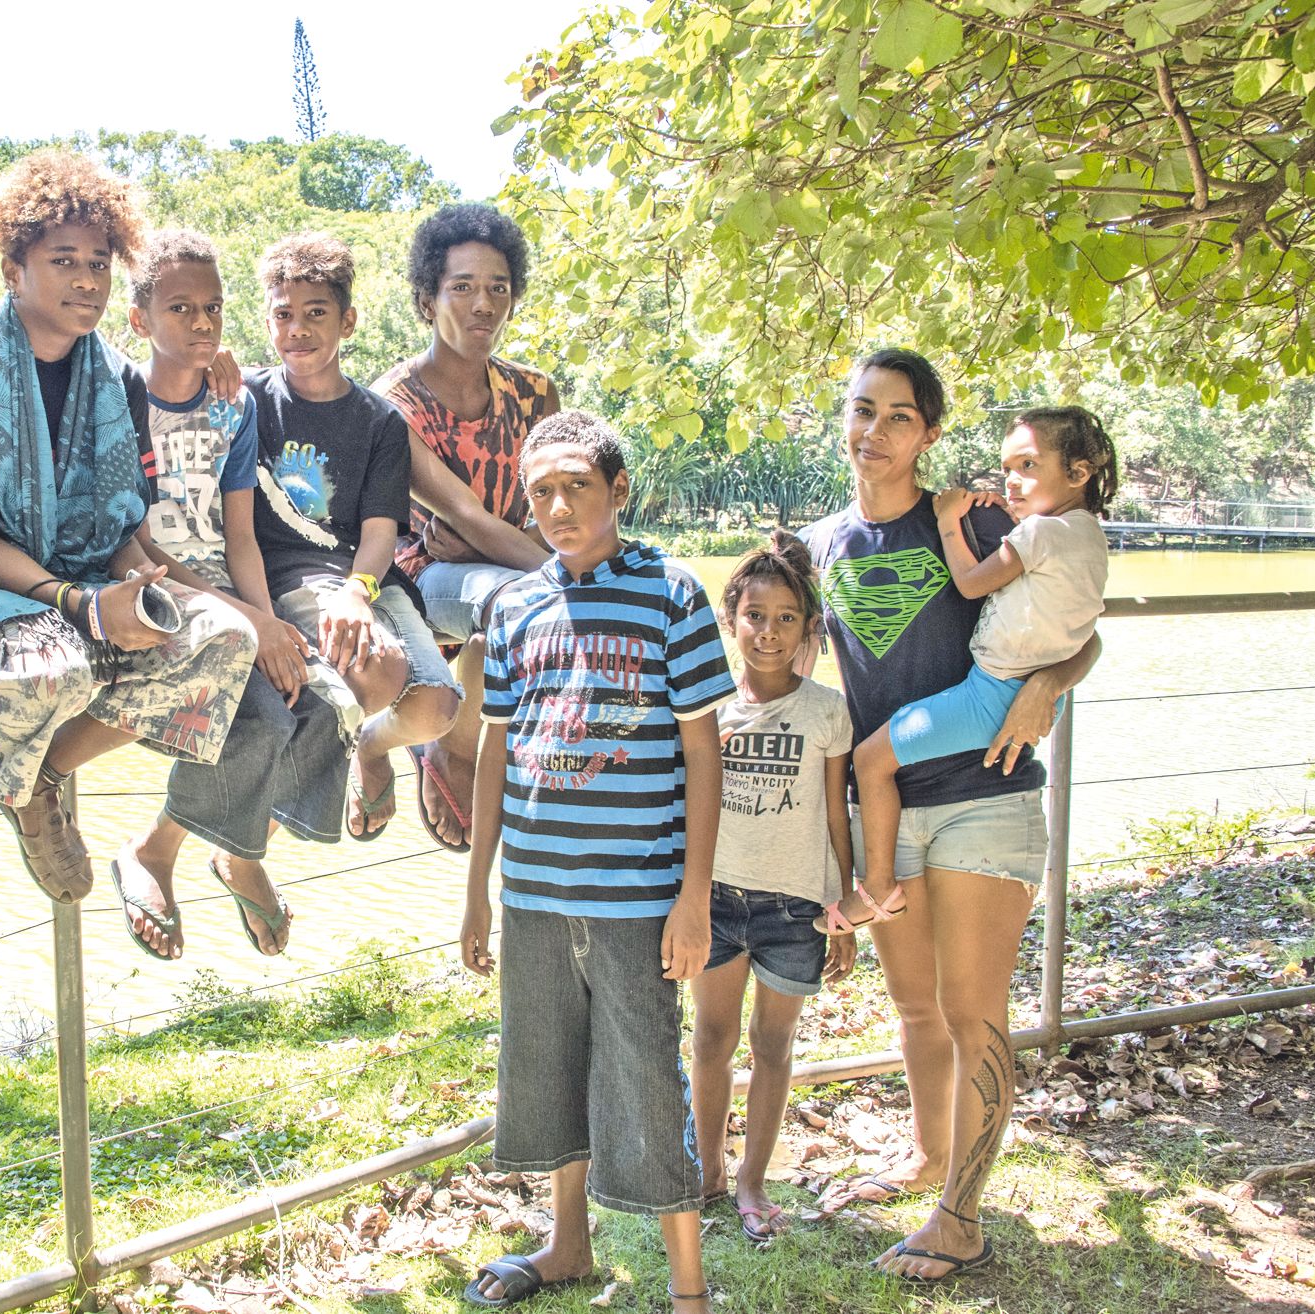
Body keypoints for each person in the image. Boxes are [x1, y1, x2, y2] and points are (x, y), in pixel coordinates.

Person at [0, 151, 255, 915]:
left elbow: (121, 527)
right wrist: (86, 608)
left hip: (79, 577)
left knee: (224, 640)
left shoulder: (114, 378)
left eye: (99, 263)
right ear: (13, 268)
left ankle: (34, 779)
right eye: (63, 262)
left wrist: (136, 588)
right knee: (56, 667)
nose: (88, 281)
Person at [799, 349, 1101, 1281]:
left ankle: (960, 1215)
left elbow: (1079, 625)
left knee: (974, 1015)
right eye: (862, 410)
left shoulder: (970, 518)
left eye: (899, 417)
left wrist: (1051, 680)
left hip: (985, 796)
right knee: (914, 1010)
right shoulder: (818, 545)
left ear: (929, 434)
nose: (875, 432)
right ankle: (930, 1163)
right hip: (882, 806)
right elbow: (775, 664)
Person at [459, 411, 732, 1312]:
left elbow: (703, 753)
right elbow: (497, 749)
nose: (558, 506)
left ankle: (687, 1284)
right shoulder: (513, 605)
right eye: (540, 491)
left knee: (645, 1078)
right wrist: (477, 892)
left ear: (618, 491)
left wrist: (692, 898)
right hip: (536, 890)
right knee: (546, 1067)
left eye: (577, 485)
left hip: (635, 896)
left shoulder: (672, 592)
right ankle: (565, 1243)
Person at [110, 229, 360, 959]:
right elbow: (138, 542)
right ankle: (154, 853)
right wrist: (250, 622)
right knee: (257, 722)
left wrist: (274, 625)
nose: (200, 324)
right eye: (179, 308)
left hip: (230, 593)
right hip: (156, 593)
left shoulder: (234, 406)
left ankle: (240, 850)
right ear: (139, 319)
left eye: (212, 309)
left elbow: (240, 537)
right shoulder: (117, 397)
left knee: (327, 704)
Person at [825, 405, 1114, 933]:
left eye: (1029, 466)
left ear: (1078, 472)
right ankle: (883, 886)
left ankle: (879, 890)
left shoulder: (1034, 534)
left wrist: (946, 521)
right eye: (1009, 467)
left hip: (992, 696)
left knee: (869, 760)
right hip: (1012, 689)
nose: (1012, 481)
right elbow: (1086, 628)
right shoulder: (1089, 536)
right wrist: (1050, 682)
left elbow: (971, 583)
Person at [246, 233, 461, 841]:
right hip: (290, 577)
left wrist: (358, 592)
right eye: (284, 315)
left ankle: (370, 746)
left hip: (367, 580)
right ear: (267, 322)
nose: (299, 330)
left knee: (436, 707)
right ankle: (249, 831)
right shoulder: (248, 401)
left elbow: (378, 535)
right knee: (375, 671)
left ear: (348, 321)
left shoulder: (379, 421)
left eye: (317, 314)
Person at [372, 204, 557, 852]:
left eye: (497, 288)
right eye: (462, 287)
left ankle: (494, 734)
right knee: (516, 598)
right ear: (426, 301)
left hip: (507, 561)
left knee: (529, 595)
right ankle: (452, 741)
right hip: (422, 577)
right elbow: (466, 517)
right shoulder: (393, 404)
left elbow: (555, 516)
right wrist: (580, 578)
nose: (483, 304)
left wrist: (554, 555)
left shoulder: (535, 394)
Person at [689, 530, 856, 1245]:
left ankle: (753, 1178)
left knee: (773, 1042)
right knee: (712, 1037)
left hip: (795, 908)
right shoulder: (704, 711)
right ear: (730, 621)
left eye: (785, 617)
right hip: (717, 902)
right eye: (753, 614)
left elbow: (835, 815)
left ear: (806, 629)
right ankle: (707, 1174)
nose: (767, 631)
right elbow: (680, 809)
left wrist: (843, 908)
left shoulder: (825, 711)